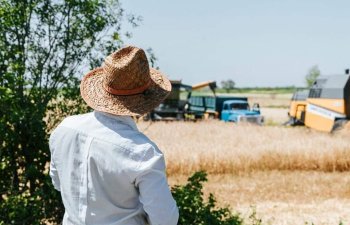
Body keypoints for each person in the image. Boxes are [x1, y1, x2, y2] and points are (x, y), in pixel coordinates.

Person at [49, 46, 179, 225]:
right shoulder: (143, 152)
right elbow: (165, 219)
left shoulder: (64, 129)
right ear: (145, 99)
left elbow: (58, 183)